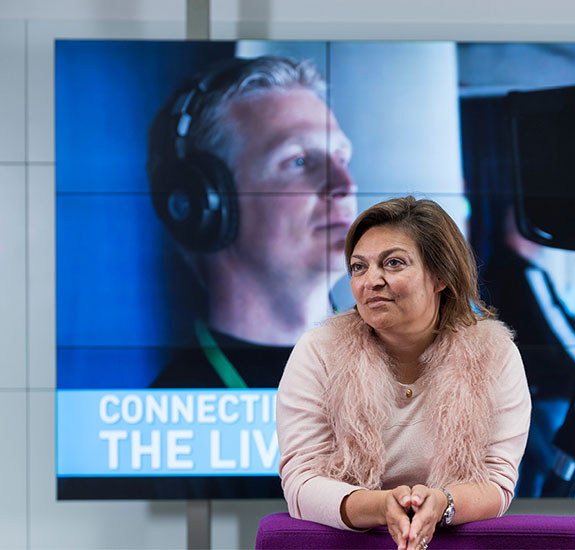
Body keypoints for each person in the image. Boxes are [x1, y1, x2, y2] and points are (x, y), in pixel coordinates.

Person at [277, 197, 531, 550]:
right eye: (358, 267)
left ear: (441, 276)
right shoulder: (319, 351)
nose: (371, 281)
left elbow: (497, 483)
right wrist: (383, 506)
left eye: (393, 263)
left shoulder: (494, 353)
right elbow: (302, 483)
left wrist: (442, 502)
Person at [146, 56, 357, 388]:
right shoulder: (168, 410)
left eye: (341, 158)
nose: (345, 185)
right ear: (209, 202)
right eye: (299, 160)